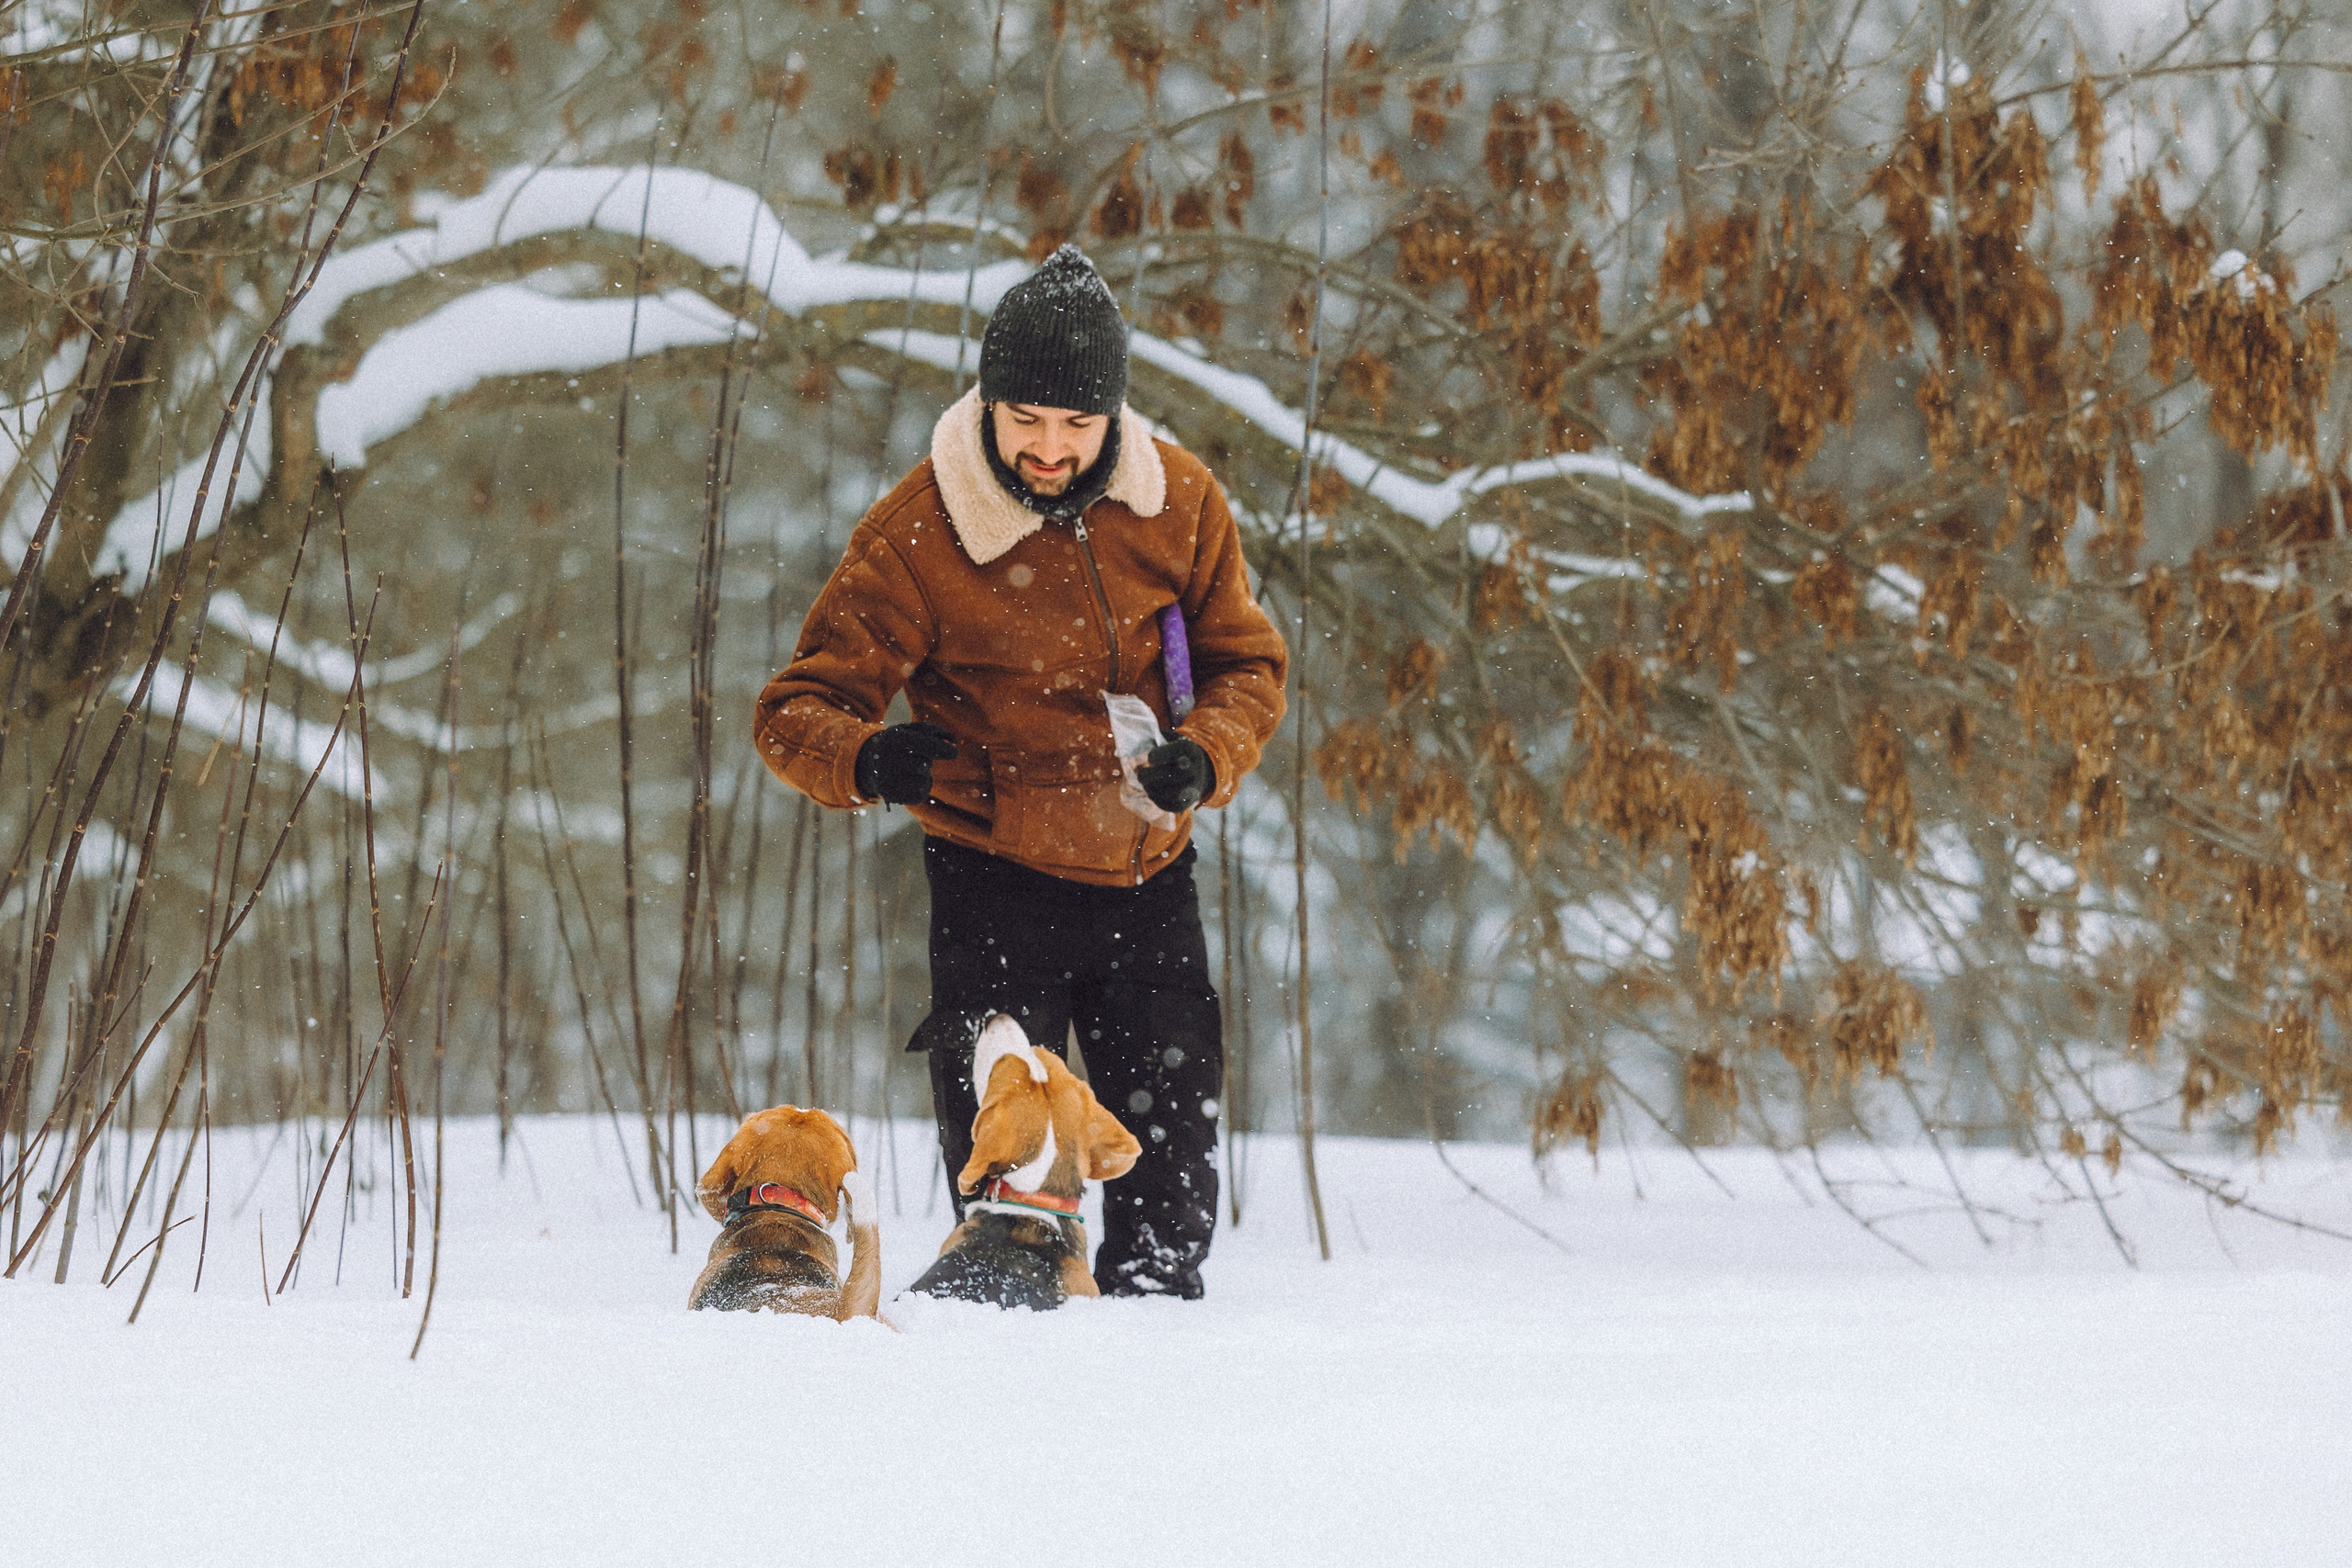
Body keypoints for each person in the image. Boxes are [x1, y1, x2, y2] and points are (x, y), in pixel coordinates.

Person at [752, 245, 1287, 1298]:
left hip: (1147, 872)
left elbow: (1247, 666)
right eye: (1025, 419)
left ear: (1113, 416)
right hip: (992, 881)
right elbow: (793, 711)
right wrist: (865, 758)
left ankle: (1159, 1341)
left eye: (1076, 423)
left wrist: (1204, 757)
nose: (1048, 447)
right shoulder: (919, 532)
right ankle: (1004, 1352)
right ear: (988, 404)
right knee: (1010, 1193)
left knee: (1170, 1173)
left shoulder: (1179, 502)